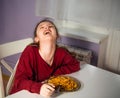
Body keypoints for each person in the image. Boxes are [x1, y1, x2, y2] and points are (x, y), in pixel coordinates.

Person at [10, 19, 80, 97]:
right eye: (42, 27)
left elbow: (75, 65)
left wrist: (55, 73)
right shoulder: (30, 51)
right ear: (37, 39)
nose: (47, 28)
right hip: (21, 94)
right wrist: (39, 88)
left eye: (50, 26)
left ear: (56, 36)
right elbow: (19, 81)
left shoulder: (61, 53)